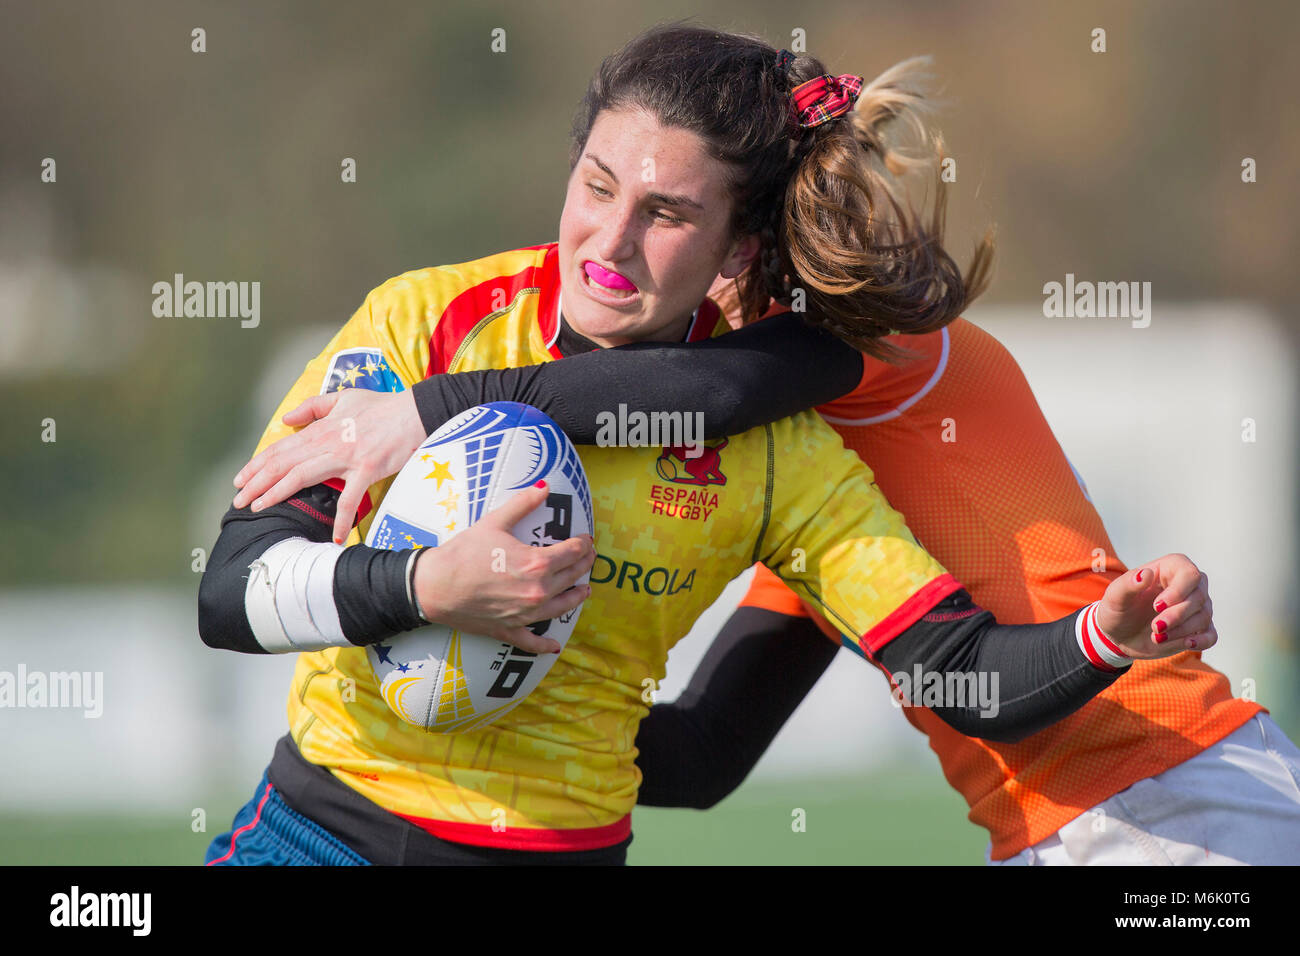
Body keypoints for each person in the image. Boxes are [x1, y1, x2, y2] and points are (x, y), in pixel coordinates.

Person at [200, 24, 1212, 866]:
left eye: (665, 213)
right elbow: (232, 590)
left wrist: (1106, 636)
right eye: (596, 186)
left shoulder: (786, 441)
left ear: (738, 249)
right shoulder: (430, 319)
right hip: (315, 831)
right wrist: (427, 589)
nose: (608, 241)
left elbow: (952, 667)